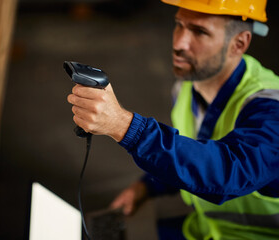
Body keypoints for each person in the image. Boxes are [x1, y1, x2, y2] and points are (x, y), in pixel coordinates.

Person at [67, 0, 279, 239]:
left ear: (238, 44)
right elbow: (194, 149)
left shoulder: (272, 109)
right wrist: (147, 187)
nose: (179, 43)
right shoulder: (187, 87)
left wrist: (125, 127)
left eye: (199, 32)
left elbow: (229, 171)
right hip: (208, 230)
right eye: (179, 25)